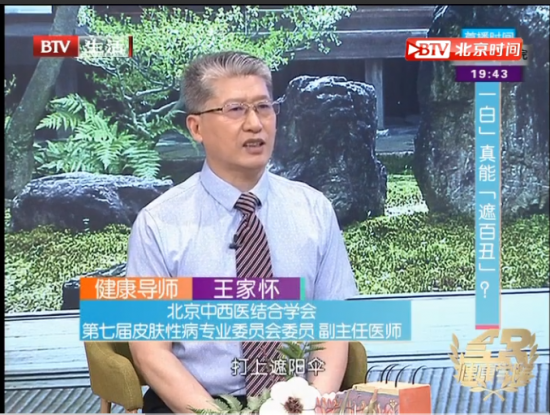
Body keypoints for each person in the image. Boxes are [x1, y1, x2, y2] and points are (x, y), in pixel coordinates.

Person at [127, 50, 359, 413]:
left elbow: (331, 329)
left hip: (296, 402)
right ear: (196, 127)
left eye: (264, 107)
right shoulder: (159, 223)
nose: (255, 124)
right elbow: (151, 352)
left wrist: (311, 406)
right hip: (196, 404)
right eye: (235, 110)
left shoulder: (314, 210)